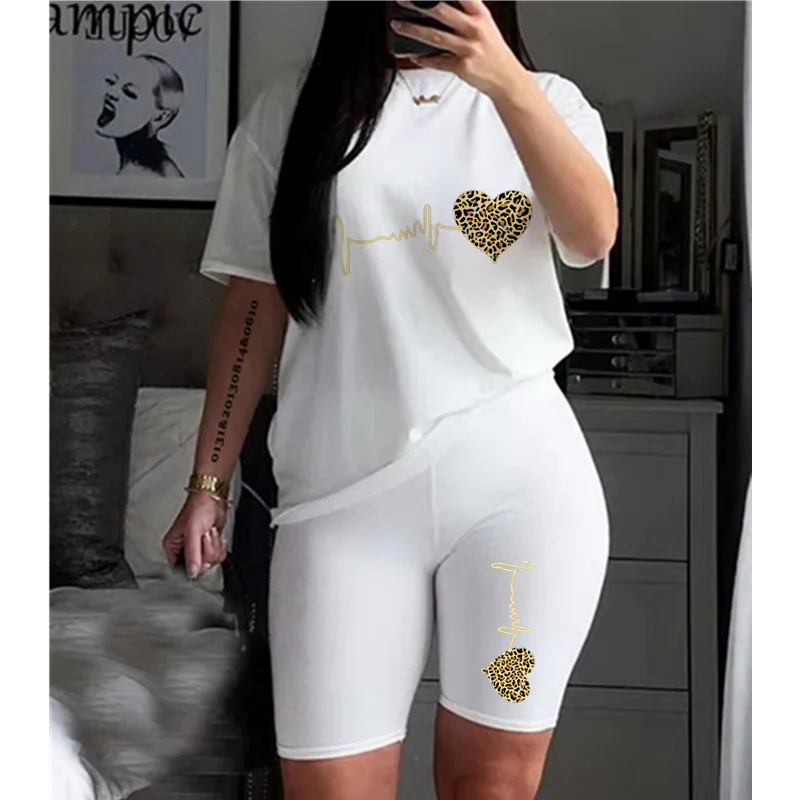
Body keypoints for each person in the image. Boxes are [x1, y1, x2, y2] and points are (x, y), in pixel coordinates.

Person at [162, 1, 617, 797]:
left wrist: (506, 82)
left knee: (492, 787)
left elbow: (591, 238)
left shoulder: (547, 101)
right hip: (340, 505)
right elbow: (252, 305)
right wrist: (209, 481)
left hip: (520, 498)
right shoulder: (291, 111)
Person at [95, 53, 184, 177]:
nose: (111, 92)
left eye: (129, 93)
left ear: (161, 116)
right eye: (112, 82)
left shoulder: (144, 174)